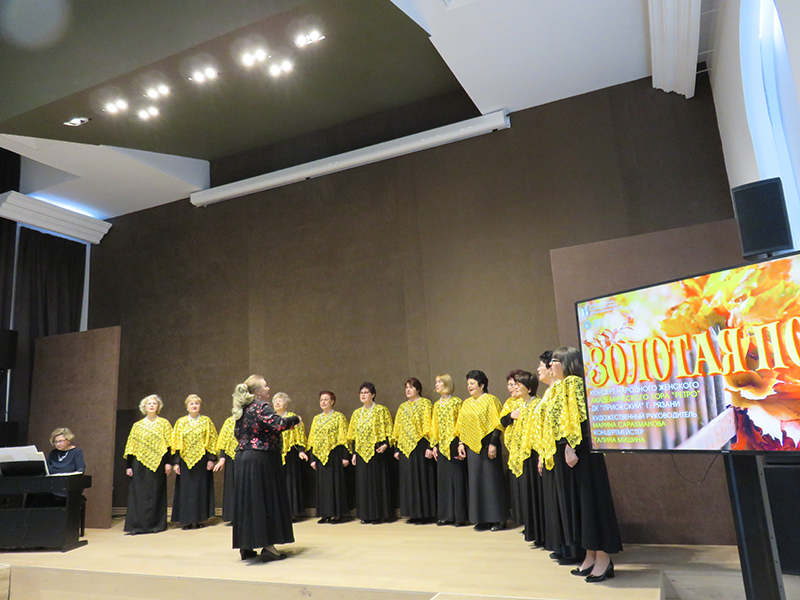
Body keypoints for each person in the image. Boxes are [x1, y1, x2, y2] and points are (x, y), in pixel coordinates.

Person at [542, 347, 623, 583]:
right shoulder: (558, 387)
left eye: (555, 360)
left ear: (568, 363)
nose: (551, 365)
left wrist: (571, 446)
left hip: (580, 451)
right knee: (579, 504)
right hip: (567, 450)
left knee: (591, 502)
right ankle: (590, 554)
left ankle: (603, 558)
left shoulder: (574, 383)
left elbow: (579, 417)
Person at [232, 374, 301, 561]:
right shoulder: (261, 406)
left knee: (248, 502)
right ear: (257, 392)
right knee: (265, 500)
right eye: (265, 386)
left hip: (243, 459)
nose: (268, 388)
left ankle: (246, 545)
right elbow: (279, 424)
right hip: (261, 458)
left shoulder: (242, 409)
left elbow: (237, 433)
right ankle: (269, 547)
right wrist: (295, 419)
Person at [456, 370, 508, 531]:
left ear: (482, 385)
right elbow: (461, 426)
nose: (469, 387)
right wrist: (461, 444)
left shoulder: (491, 400)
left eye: (472, 383)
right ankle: (482, 518)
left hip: (488, 447)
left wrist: (493, 443)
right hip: (472, 449)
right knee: (476, 482)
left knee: (491, 482)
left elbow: (497, 423)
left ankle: (498, 519)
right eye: (468, 384)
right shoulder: (466, 403)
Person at [123, 395, 172, 534]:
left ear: (158, 406)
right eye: (149, 403)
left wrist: (168, 463)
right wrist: (129, 466)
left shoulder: (164, 424)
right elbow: (131, 447)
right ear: (144, 407)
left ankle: (156, 525)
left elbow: (170, 445)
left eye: (154, 403)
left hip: (158, 463)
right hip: (139, 464)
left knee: (156, 492)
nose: (151, 405)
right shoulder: (137, 426)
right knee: (139, 494)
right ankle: (137, 526)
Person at [347, 382, 394, 524]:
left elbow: (389, 429)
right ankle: (366, 515)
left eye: (366, 392)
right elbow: (353, 435)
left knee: (376, 483)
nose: (363, 395)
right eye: (361, 393)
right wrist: (354, 453)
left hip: (377, 451)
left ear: (373, 395)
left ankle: (379, 514)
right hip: (361, 452)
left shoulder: (381, 410)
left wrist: (386, 444)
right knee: (364, 484)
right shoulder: (356, 413)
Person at [392, 377, 437, 523]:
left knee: (421, 479)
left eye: (411, 387)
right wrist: (397, 448)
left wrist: (430, 446)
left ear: (418, 389)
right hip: (405, 447)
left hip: (421, 445)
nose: (408, 390)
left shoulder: (425, 403)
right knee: (408, 480)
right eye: (406, 387)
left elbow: (430, 425)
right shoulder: (402, 407)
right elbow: (398, 429)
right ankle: (412, 513)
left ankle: (425, 514)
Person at [171, 394, 218, 529]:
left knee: (200, 489)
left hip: (202, 461)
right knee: (186, 490)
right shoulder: (181, 422)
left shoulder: (206, 421)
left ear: (200, 406)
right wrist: (176, 462)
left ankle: (200, 519)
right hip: (185, 460)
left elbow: (212, 440)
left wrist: (211, 459)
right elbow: (175, 442)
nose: (194, 406)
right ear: (187, 407)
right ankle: (186, 520)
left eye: (196, 403)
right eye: (191, 403)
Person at [305, 390, 351, 523]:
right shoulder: (316, 419)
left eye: (326, 399)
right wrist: (313, 459)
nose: (323, 402)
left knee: (335, 484)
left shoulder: (339, 417)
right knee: (323, 486)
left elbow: (344, 437)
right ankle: (325, 514)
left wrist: (345, 456)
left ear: (332, 401)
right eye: (321, 400)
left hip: (335, 455)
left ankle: (337, 514)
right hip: (320, 456)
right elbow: (312, 440)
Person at [508, 370, 543, 546]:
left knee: (537, 494)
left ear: (528, 388)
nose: (515, 387)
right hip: (523, 454)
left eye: (519, 385)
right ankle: (533, 531)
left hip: (534, 453)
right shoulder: (520, 405)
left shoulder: (537, 404)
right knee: (527, 494)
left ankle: (542, 533)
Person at [430, 374, 468, 526]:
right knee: (444, 480)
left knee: (456, 480)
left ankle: (459, 516)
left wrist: (461, 443)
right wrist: (434, 445)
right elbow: (434, 426)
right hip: (441, 444)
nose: (437, 384)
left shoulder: (457, 402)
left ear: (446, 383)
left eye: (439, 382)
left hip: (454, 443)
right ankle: (445, 515)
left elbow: (462, 423)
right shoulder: (436, 405)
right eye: (436, 382)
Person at [272, 391, 308, 520]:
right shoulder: (271, 418)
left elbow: (300, 435)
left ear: (286, 404)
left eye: (280, 400)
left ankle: (291, 512)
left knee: (290, 482)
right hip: (274, 455)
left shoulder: (292, 417)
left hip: (290, 454)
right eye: (275, 401)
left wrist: (301, 451)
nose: (277, 403)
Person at [500, 369, 525, 526]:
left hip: (527, 448)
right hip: (513, 449)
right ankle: (520, 519)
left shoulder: (527, 401)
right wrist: (510, 416)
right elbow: (502, 421)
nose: (510, 388)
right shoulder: (509, 403)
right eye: (508, 385)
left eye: (513, 384)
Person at [213, 412, 238, 524]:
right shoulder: (229, 422)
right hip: (231, 458)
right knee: (232, 487)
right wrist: (222, 459)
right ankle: (233, 517)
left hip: (248, 458)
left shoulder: (252, 419)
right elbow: (223, 441)